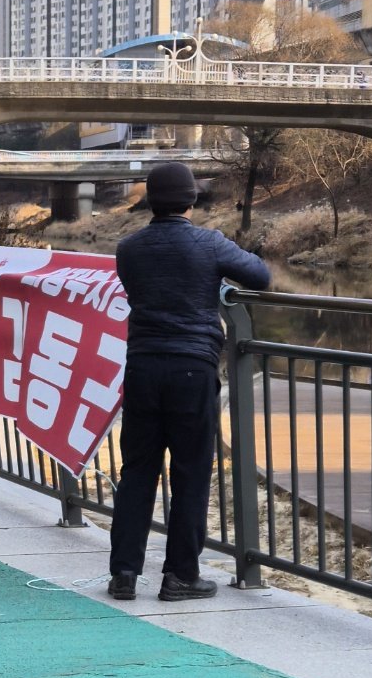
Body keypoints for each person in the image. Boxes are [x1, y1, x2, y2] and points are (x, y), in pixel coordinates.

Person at [108, 162, 269, 602]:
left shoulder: (129, 248)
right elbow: (261, 276)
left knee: (138, 471)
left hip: (141, 368)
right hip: (192, 370)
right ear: (191, 200)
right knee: (191, 473)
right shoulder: (209, 243)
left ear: (150, 201)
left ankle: (124, 573)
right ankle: (180, 575)